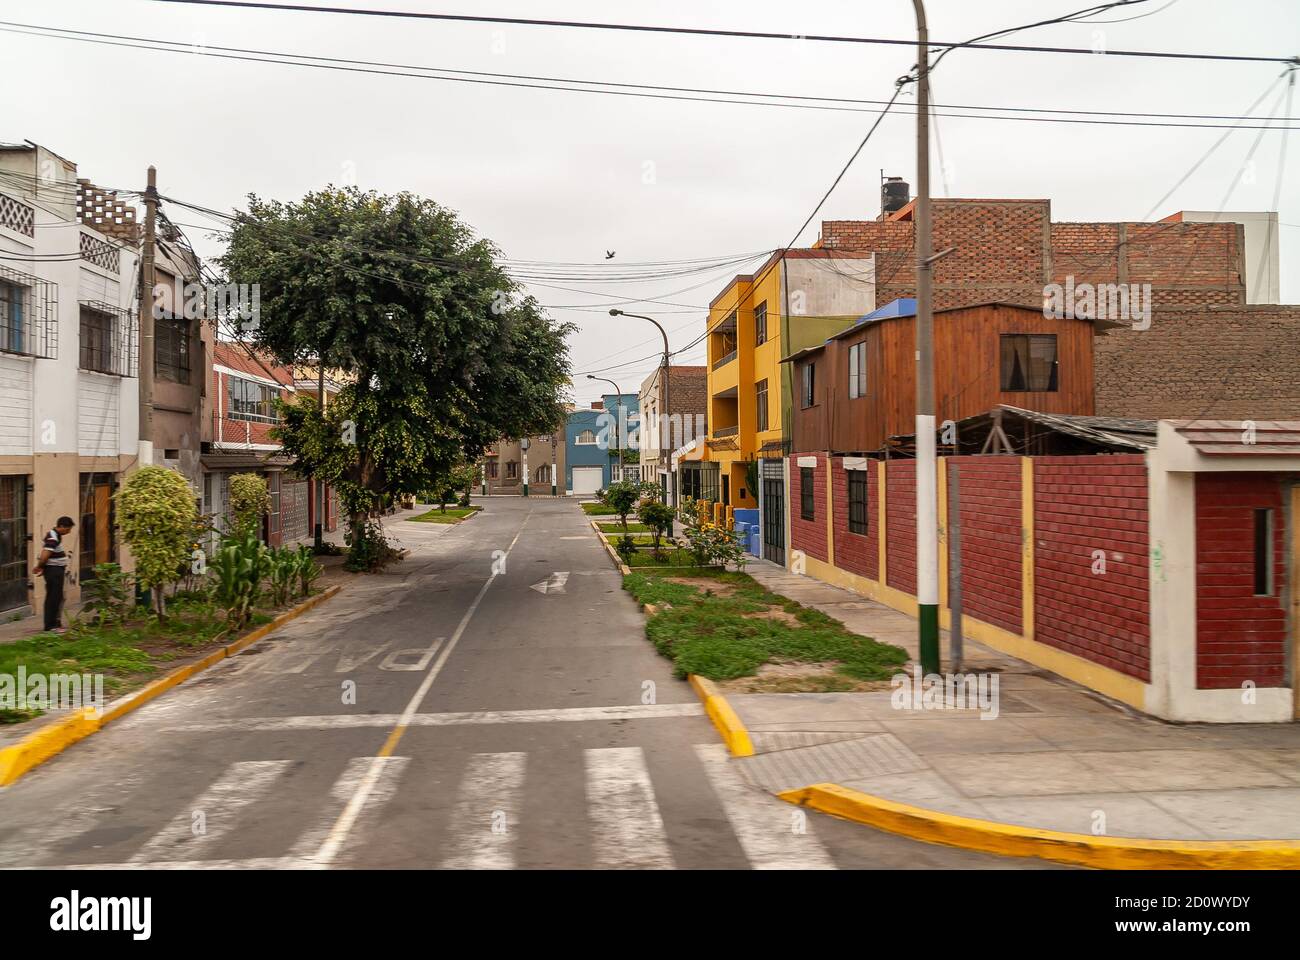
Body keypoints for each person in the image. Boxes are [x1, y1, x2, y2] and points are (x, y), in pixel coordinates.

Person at [33, 516, 75, 634]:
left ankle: (55, 624)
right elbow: (45, 554)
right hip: (53, 570)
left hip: (55, 569)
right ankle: (50, 626)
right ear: (61, 526)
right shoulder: (52, 537)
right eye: (68, 529)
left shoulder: (56, 535)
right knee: (53, 597)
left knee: (56, 597)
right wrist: (40, 566)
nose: (69, 532)